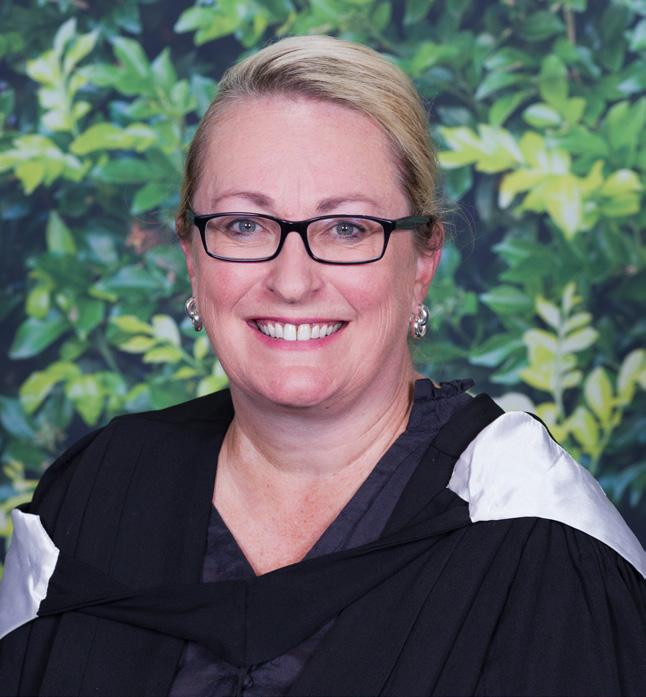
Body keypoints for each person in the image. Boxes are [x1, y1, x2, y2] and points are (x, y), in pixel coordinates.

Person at [0, 35, 644, 697]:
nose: (292, 280)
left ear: (423, 260)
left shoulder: (537, 539)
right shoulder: (94, 495)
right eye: (244, 224)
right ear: (192, 253)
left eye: (347, 229)